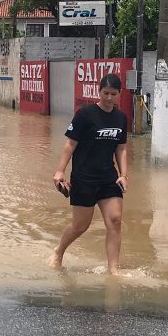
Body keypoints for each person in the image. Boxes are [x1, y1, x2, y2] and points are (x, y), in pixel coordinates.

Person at [50, 73, 128, 274]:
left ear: (120, 94)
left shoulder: (121, 118)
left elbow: (121, 148)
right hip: (84, 178)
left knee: (115, 220)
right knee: (80, 226)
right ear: (98, 91)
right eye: (105, 93)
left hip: (108, 178)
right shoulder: (85, 114)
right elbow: (70, 144)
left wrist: (123, 174)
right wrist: (60, 171)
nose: (109, 98)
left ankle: (113, 270)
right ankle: (58, 253)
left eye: (113, 94)